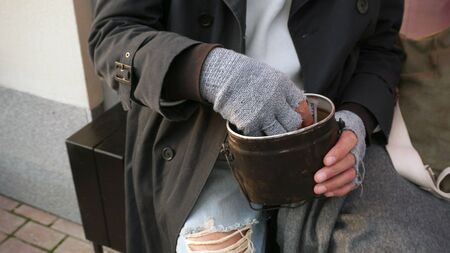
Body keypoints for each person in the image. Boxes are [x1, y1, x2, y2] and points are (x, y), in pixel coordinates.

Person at [88, 0, 450, 252]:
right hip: (201, 142)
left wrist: (357, 118)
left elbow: (381, 47)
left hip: (324, 134)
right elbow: (112, 36)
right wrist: (211, 72)